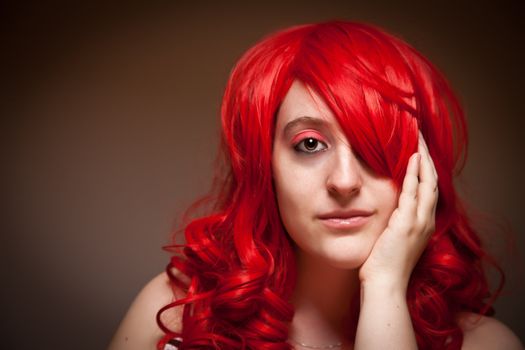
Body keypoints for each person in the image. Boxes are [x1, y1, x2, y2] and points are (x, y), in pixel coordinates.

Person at [108, 20, 523, 350]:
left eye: (375, 144)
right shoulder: (176, 312)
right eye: (309, 144)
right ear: (264, 166)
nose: (344, 181)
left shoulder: (485, 344)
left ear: (425, 168)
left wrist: (384, 288)